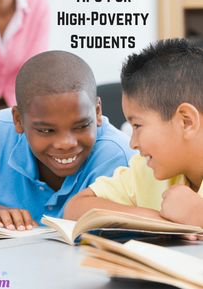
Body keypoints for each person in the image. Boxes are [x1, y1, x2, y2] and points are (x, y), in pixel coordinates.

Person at [0, 50, 135, 230]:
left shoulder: (122, 161)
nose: (66, 144)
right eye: (46, 130)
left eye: (81, 126)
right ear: (18, 120)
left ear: (97, 111)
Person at [64, 38, 203, 231]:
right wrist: (156, 220)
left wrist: (199, 216)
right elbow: (75, 208)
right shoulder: (146, 171)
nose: (133, 144)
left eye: (137, 126)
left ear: (186, 121)